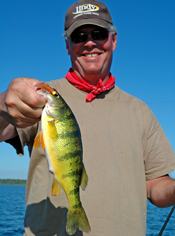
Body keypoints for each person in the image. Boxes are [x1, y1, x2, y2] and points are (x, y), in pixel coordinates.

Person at [0, 0, 175, 235]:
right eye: (79, 36)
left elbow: (156, 186)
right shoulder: (41, 97)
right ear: (67, 45)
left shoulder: (140, 111)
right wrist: (3, 105)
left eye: (98, 33)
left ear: (113, 40)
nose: (89, 42)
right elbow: (4, 128)